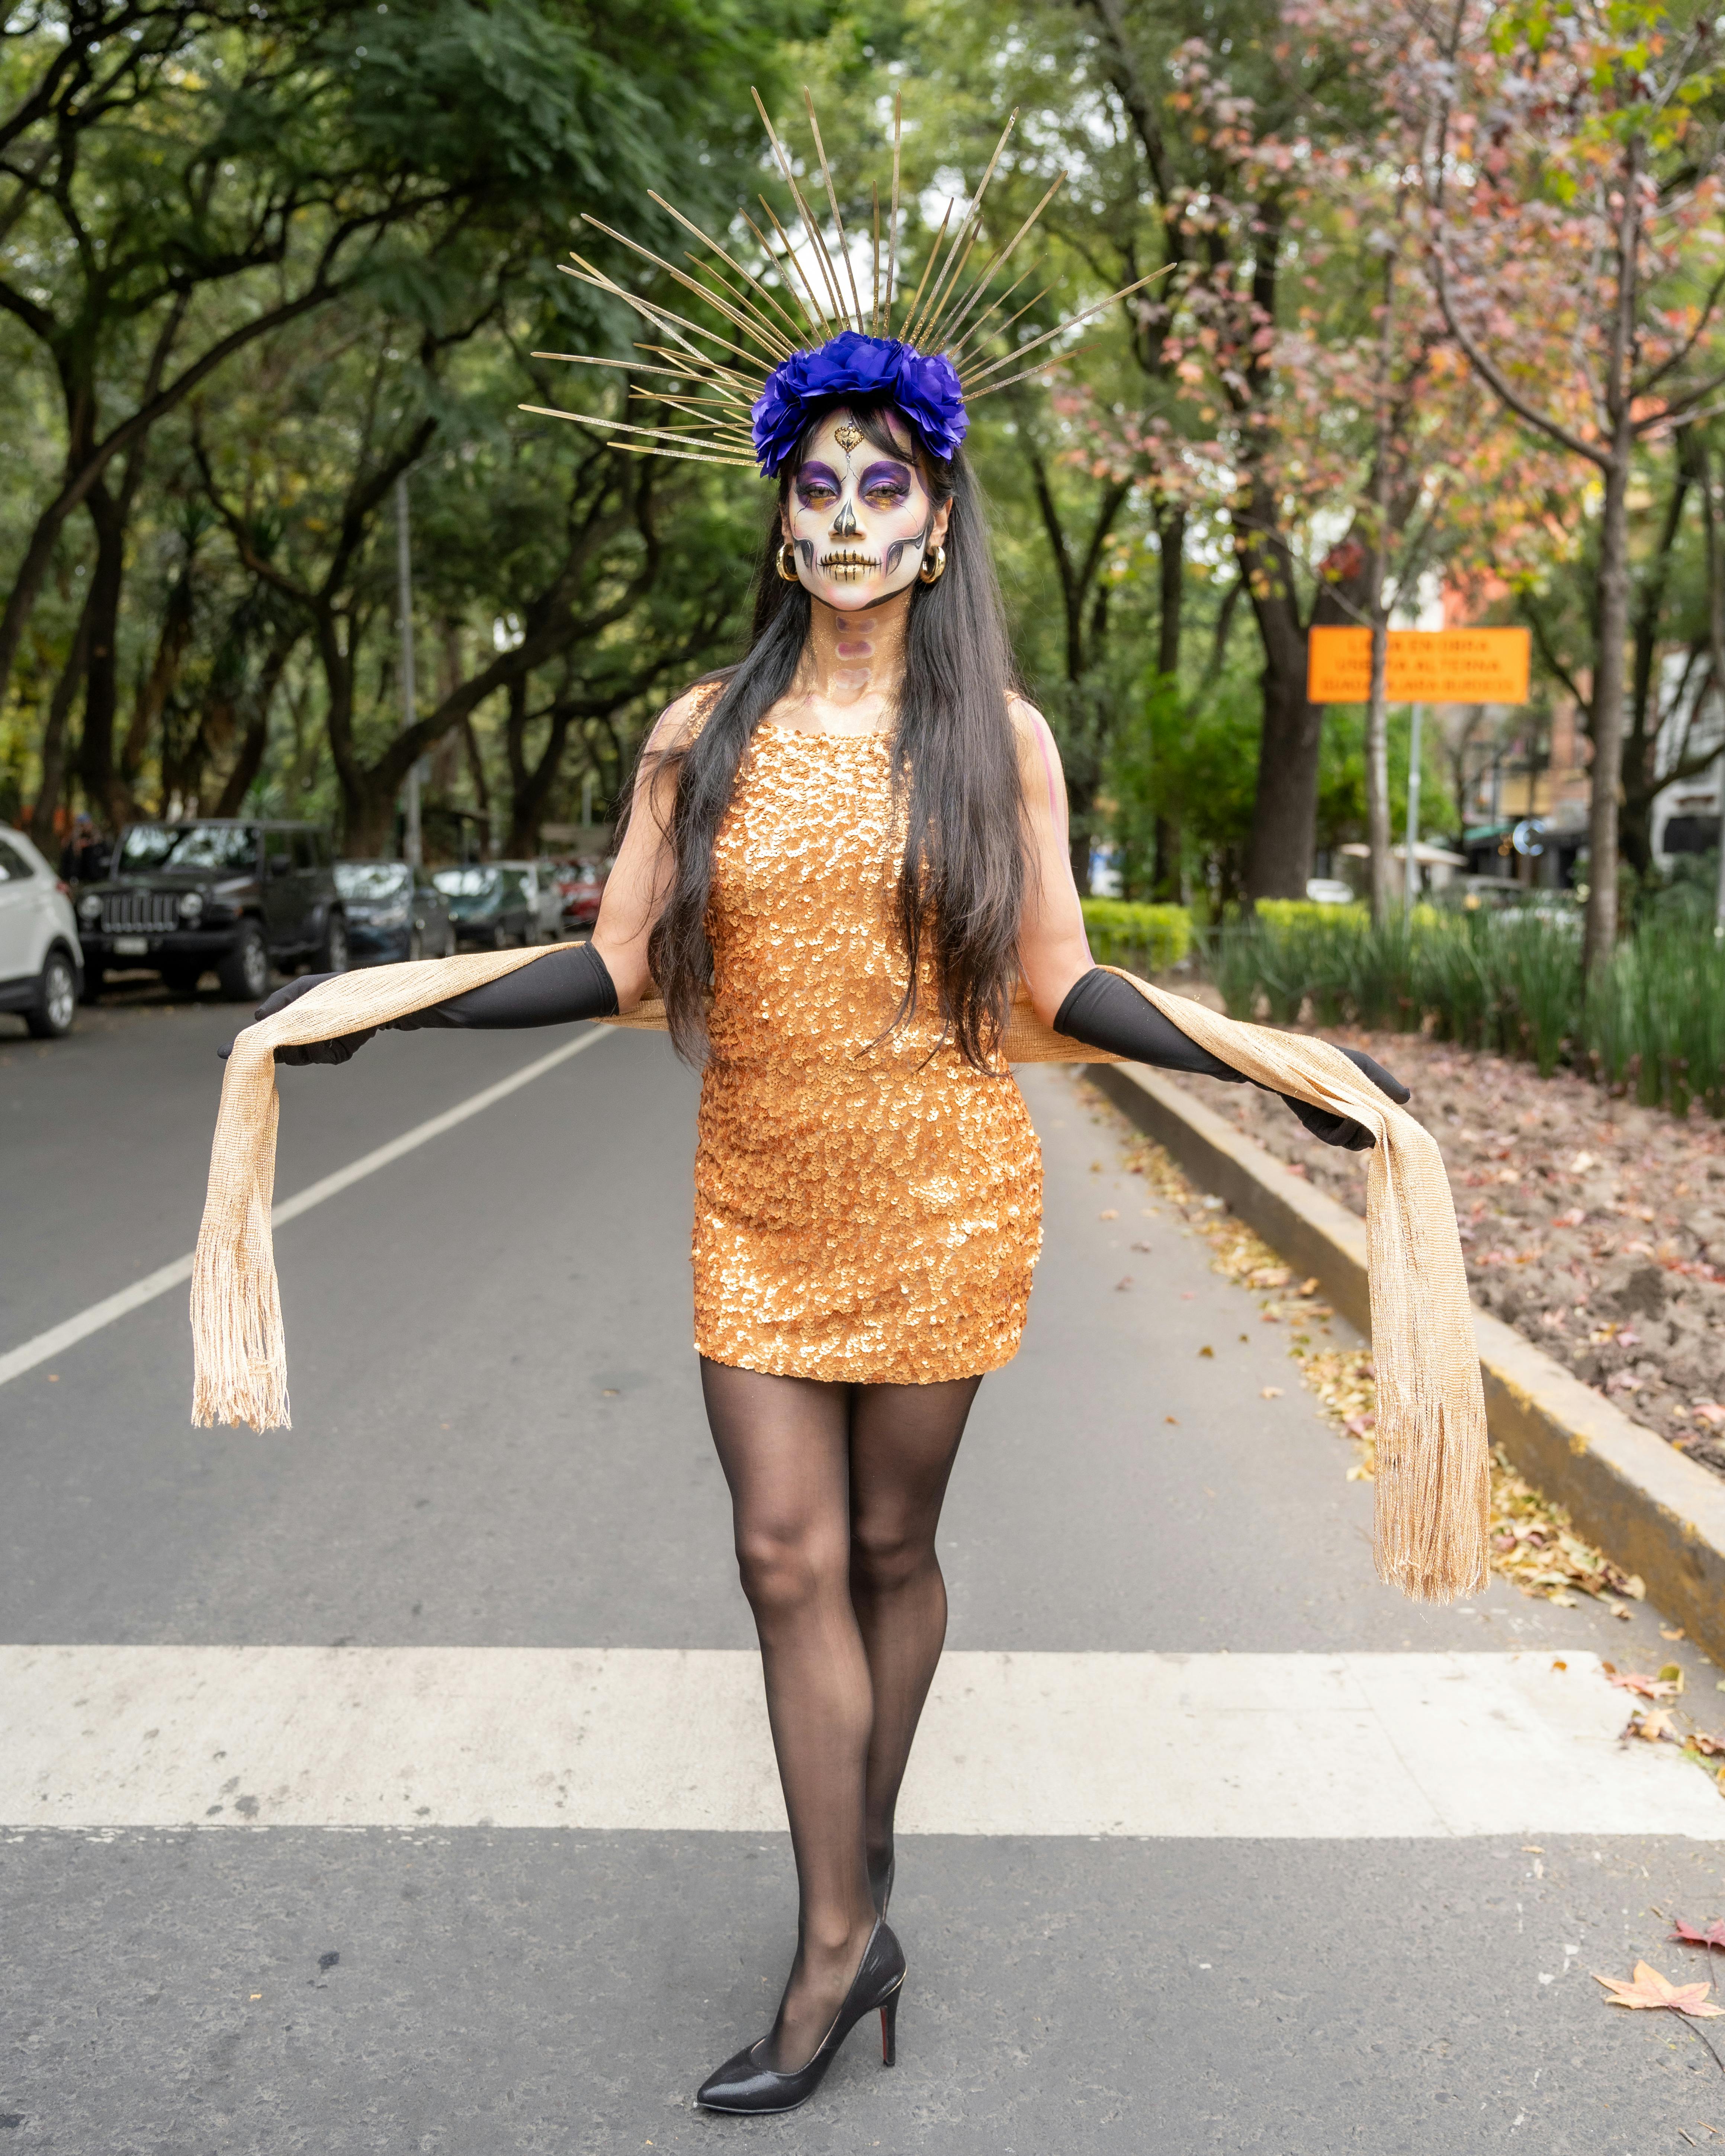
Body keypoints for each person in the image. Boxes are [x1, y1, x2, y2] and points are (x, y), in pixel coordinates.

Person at [238, 104, 1407, 2118]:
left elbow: (1057, 986)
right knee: (783, 1554)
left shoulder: (1001, 736)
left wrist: (1277, 1070)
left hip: (949, 1190)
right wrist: (390, 1007)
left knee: (886, 1546)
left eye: (889, 484)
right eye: (821, 484)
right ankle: (841, 1934)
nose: (853, 513)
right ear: (783, 519)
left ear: (937, 523)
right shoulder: (704, 729)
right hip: (758, 1193)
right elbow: (616, 965)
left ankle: (856, 1895)